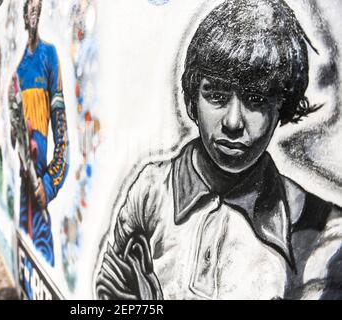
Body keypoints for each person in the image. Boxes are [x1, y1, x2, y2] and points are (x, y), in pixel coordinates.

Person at [95, 0, 342, 300]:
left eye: (256, 99)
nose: (233, 122)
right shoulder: (152, 192)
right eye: (216, 95)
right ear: (192, 103)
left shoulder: (317, 230)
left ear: (282, 109)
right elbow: (112, 289)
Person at [16, 0, 68, 266]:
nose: (34, 11)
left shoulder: (49, 54)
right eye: (30, 7)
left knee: (43, 255)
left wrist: (49, 184)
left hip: (39, 182)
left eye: (38, 7)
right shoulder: (20, 67)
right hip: (22, 181)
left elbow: (62, 134)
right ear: (25, 15)